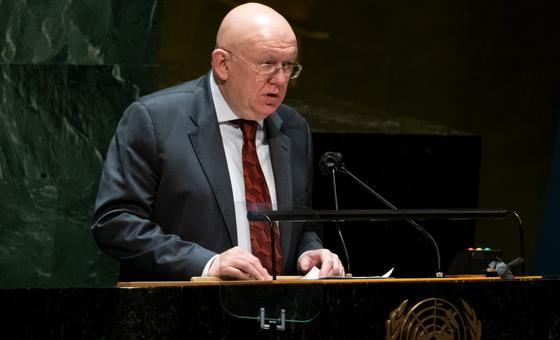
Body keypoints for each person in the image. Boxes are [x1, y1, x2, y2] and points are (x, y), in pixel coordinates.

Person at [92, 2, 343, 281]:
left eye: (288, 66)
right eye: (267, 65)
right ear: (223, 64)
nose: (281, 80)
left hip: (278, 314)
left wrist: (310, 253)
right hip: (182, 311)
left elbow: (301, 222)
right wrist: (206, 264)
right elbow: (115, 222)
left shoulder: (294, 128)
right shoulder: (154, 120)